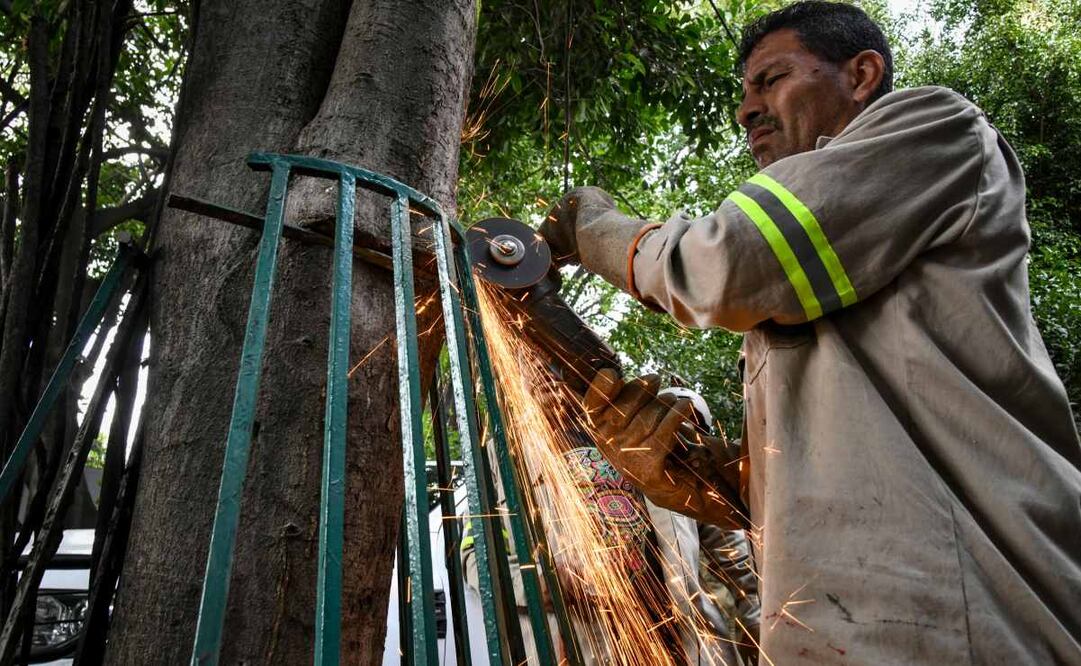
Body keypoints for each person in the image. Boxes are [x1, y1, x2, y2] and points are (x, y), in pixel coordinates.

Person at [539, 2, 1081, 664]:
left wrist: (592, 226)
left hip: (966, 620)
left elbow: (722, 264)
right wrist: (701, 477)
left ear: (860, 74)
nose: (746, 110)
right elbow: (848, 473)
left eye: (770, 79)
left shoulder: (934, 130)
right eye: (743, 92)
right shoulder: (811, 286)